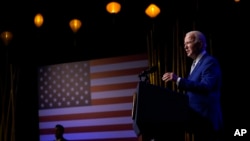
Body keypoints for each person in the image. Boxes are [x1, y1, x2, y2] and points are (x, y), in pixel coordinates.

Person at [162, 30, 223, 141]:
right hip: (196, 119)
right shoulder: (195, 63)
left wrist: (178, 80)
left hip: (207, 119)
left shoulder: (209, 62)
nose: (185, 47)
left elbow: (206, 86)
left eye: (188, 43)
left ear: (199, 44)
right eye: (184, 44)